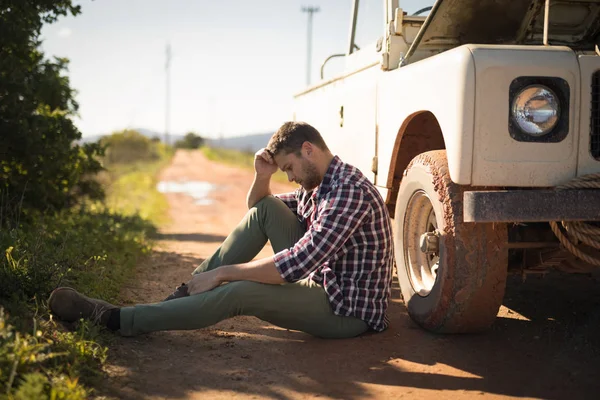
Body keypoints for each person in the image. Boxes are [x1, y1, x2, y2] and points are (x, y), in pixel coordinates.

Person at [49, 121, 395, 339]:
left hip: (344, 310)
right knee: (268, 208)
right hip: (322, 280)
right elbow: (258, 209)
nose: (289, 177)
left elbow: (298, 263)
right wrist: (263, 177)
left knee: (238, 291)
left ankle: (114, 319)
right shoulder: (319, 183)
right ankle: (181, 298)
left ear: (309, 150)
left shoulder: (348, 191)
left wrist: (223, 274)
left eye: (288, 168)